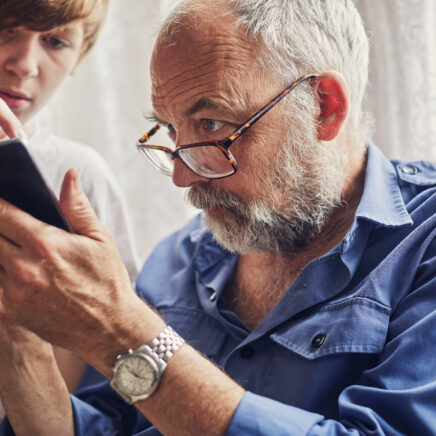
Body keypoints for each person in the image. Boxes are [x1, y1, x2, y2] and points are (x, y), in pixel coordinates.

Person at [1, 0, 436, 434]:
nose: (181, 176)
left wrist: (119, 328)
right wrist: (19, 340)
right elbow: (106, 428)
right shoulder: (179, 260)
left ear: (323, 106)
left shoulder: (422, 244)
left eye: (211, 125)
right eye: (172, 131)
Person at [0, 0, 139, 406]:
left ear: (81, 56)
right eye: (6, 29)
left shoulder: (77, 177)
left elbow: (107, 343)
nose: (25, 65)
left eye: (56, 41)